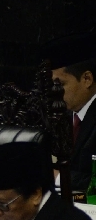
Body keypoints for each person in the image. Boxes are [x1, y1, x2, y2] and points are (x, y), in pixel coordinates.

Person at [39, 32, 96, 191]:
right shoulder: (61, 116)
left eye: (60, 84)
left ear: (87, 79)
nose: (54, 92)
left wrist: (56, 176)